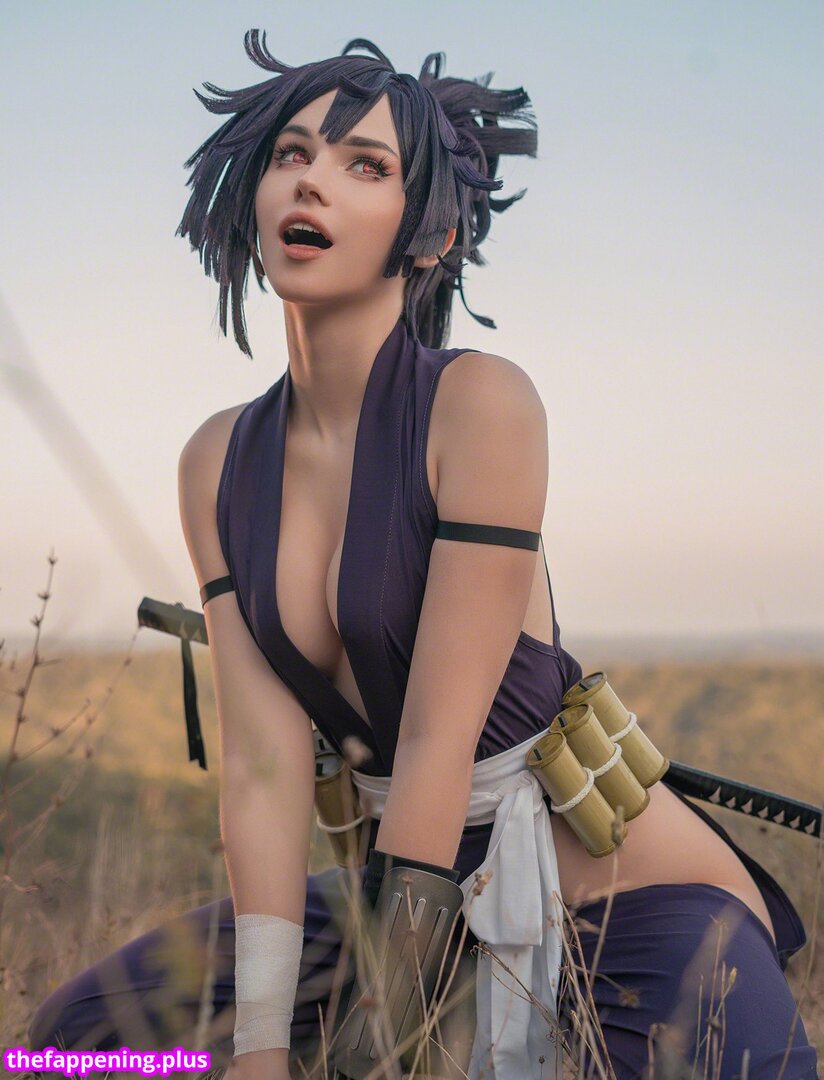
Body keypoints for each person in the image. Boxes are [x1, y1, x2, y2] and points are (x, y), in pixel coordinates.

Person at [28, 33, 819, 1080]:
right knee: (70, 1048)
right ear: (252, 191)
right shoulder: (215, 461)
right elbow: (264, 773)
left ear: (431, 233)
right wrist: (259, 1046)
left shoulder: (479, 405)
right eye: (291, 153)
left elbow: (440, 743)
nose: (311, 178)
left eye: (366, 165)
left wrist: (380, 1032)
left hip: (621, 905)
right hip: (395, 895)